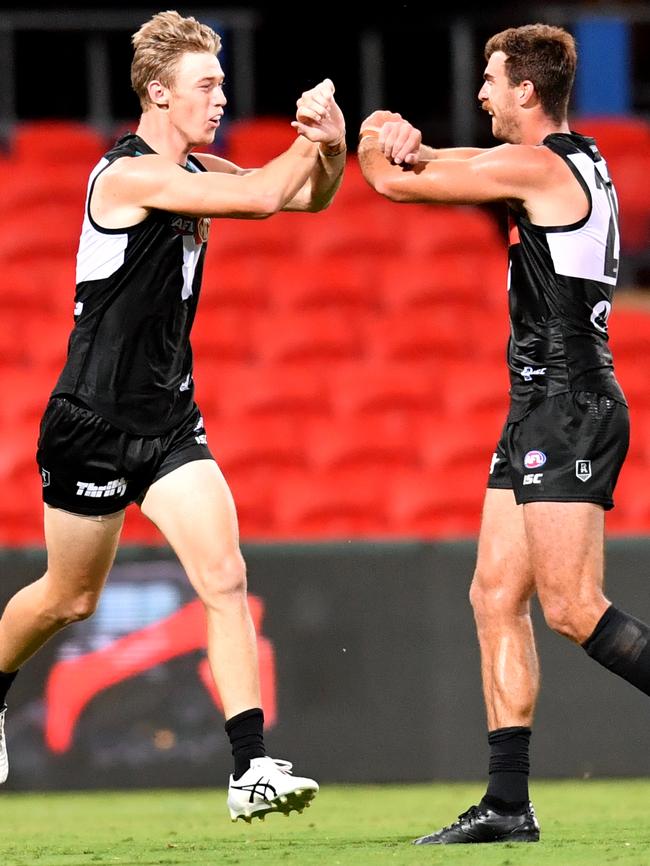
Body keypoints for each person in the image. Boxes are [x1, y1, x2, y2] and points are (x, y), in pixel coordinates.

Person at [0, 10, 346, 823]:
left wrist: (326, 148)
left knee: (224, 578)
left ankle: (248, 768)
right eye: (206, 84)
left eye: (221, 83)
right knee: (68, 600)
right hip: (90, 420)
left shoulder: (192, 168)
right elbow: (261, 195)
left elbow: (302, 199)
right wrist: (305, 133)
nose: (220, 97)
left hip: (167, 422)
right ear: (158, 92)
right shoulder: (127, 176)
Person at [359, 23, 648, 845]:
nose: (482, 92)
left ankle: (509, 803)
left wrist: (376, 129)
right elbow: (443, 166)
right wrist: (407, 144)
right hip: (539, 407)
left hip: (568, 403)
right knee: (494, 595)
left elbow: (395, 182)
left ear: (527, 91)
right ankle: (507, 804)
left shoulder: (541, 163)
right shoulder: (555, 164)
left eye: (491, 80)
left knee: (573, 608)